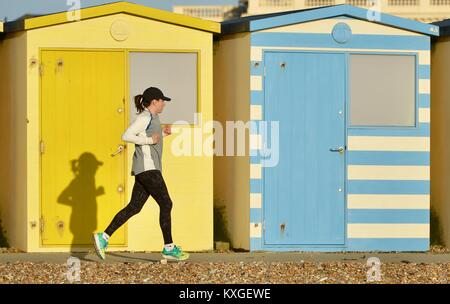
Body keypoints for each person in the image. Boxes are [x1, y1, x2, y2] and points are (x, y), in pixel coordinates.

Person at [93, 87, 189, 261]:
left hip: (145, 169)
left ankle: (103, 237)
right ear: (154, 102)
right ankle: (169, 247)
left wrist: (163, 135)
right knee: (166, 203)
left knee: (134, 207)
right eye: (162, 101)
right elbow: (127, 135)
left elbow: (151, 140)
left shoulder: (153, 118)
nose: (164, 104)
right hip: (148, 169)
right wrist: (148, 140)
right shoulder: (144, 117)